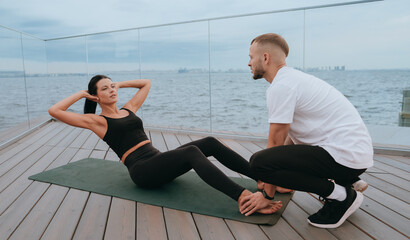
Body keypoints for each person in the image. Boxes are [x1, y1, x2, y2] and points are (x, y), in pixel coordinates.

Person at [48, 74, 282, 215]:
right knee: (191, 151)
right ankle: (242, 197)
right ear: (96, 97)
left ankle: (259, 178)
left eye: (112, 86)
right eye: (105, 89)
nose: (111, 90)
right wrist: (81, 94)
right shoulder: (97, 121)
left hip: (158, 160)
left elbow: (146, 83)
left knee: (209, 142)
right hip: (143, 172)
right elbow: (54, 111)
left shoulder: (128, 109)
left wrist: (119, 83)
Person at [239, 33, 373, 228]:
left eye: (251, 57)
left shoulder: (281, 86)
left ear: (265, 58)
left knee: (259, 162)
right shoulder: (294, 79)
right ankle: (348, 180)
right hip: (354, 154)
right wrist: (277, 172)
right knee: (271, 161)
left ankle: (342, 196)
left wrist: (267, 194)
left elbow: (274, 144)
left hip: (345, 156)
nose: (249, 63)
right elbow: (286, 144)